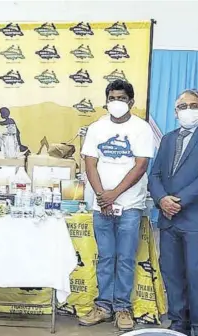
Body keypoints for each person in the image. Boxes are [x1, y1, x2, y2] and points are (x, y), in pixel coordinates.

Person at [148, 89, 198, 336]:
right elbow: (155, 175)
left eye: (193, 105)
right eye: (182, 107)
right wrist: (162, 199)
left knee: (197, 274)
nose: (187, 110)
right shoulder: (168, 139)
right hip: (168, 219)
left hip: (195, 219)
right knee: (171, 273)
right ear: (175, 112)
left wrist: (178, 202)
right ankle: (178, 323)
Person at [79, 79, 154, 331]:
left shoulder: (141, 128)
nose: (116, 103)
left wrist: (115, 194)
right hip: (101, 205)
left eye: (121, 99)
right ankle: (102, 306)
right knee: (105, 257)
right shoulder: (96, 128)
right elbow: (90, 162)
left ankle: (123, 307)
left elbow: (141, 165)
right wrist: (102, 195)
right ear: (106, 101)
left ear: (131, 102)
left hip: (130, 205)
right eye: (112, 98)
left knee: (124, 258)